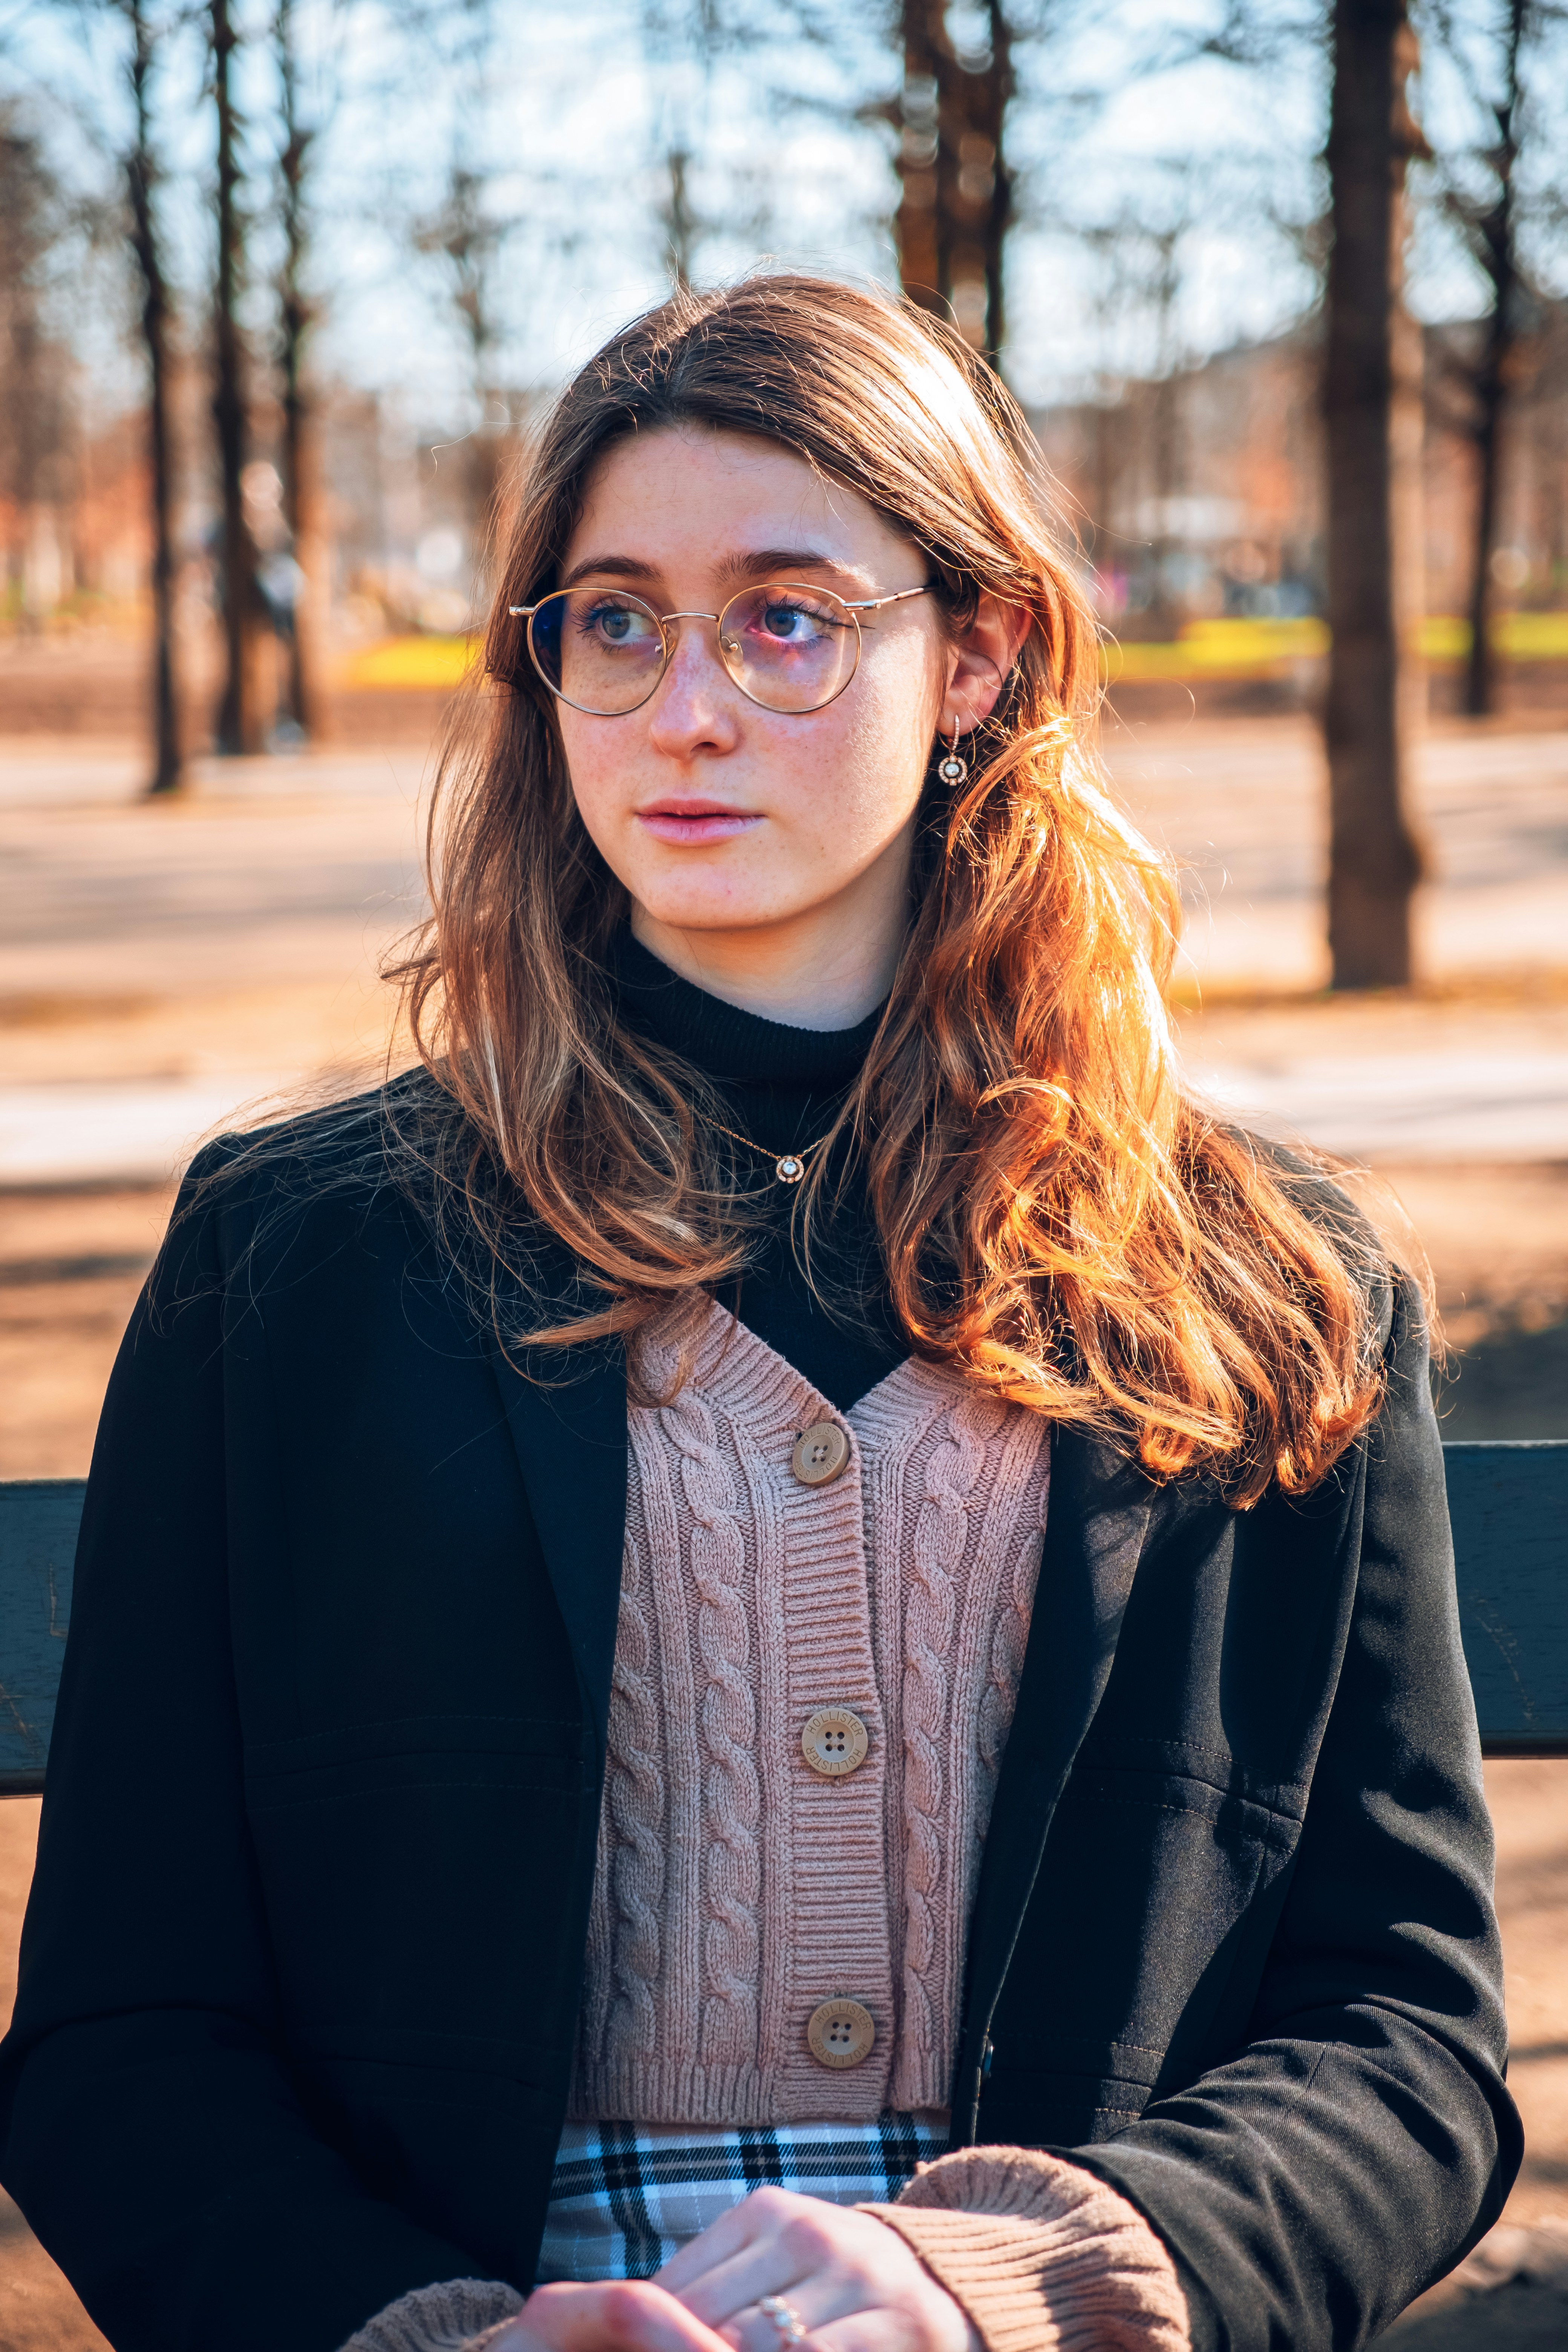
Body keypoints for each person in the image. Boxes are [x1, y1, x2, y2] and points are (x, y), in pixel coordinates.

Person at [0, 276, 1519, 2352]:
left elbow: (1403, 2039)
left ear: (979, 650)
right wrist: (438, 2332)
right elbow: (125, 2038)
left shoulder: (1262, 1289)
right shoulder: (301, 1264)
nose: (683, 708)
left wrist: (1001, 2288)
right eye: (613, 620)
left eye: (785, 617)